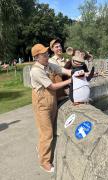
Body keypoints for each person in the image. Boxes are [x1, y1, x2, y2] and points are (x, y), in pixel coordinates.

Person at [30, 43, 71, 173]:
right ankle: (44, 162)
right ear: (37, 57)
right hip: (42, 104)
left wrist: (76, 72)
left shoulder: (48, 65)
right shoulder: (36, 71)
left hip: (51, 101)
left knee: (47, 131)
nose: (47, 56)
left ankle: (41, 149)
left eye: (47, 53)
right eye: (44, 54)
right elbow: (52, 87)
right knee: (47, 134)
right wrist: (71, 81)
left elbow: (62, 70)